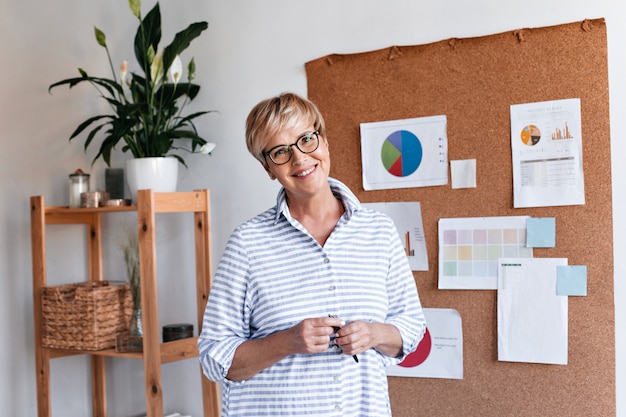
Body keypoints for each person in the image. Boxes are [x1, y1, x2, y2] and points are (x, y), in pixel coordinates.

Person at [198, 92, 426, 416]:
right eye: (280, 151)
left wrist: (373, 333)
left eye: (306, 139)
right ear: (267, 168)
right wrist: (288, 341)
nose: (300, 158)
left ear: (324, 140)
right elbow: (213, 358)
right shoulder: (247, 244)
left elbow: (412, 329)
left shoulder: (379, 232)